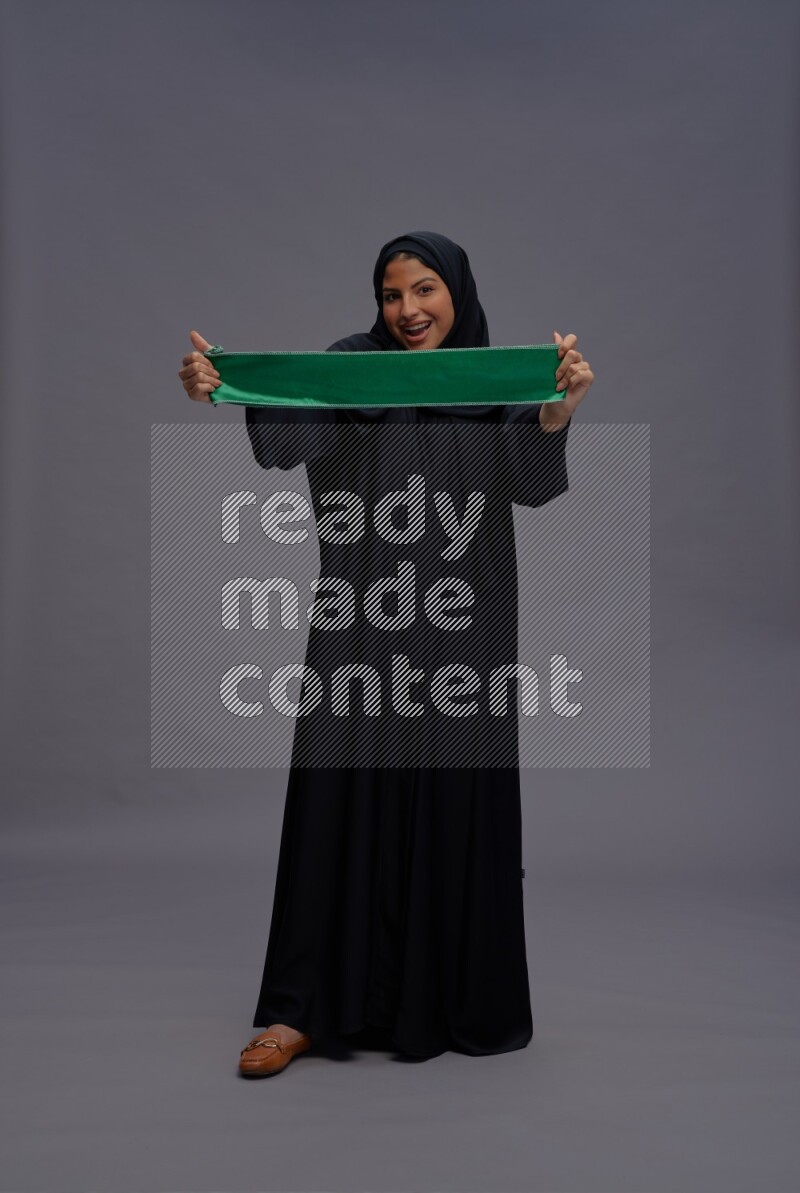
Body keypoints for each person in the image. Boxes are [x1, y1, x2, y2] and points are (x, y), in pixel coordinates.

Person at [178, 231, 595, 1077]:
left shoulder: (492, 377)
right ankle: (293, 1014)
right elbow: (286, 443)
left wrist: (555, 410)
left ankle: (440, 1003)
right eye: (391, 293)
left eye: (425, 290)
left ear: (458, 294)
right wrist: (227, 386)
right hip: (360, 622)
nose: (407, 309)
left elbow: (529, 478)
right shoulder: (352, 366)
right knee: (337, 803)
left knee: (454, 805)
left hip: (465, 631)